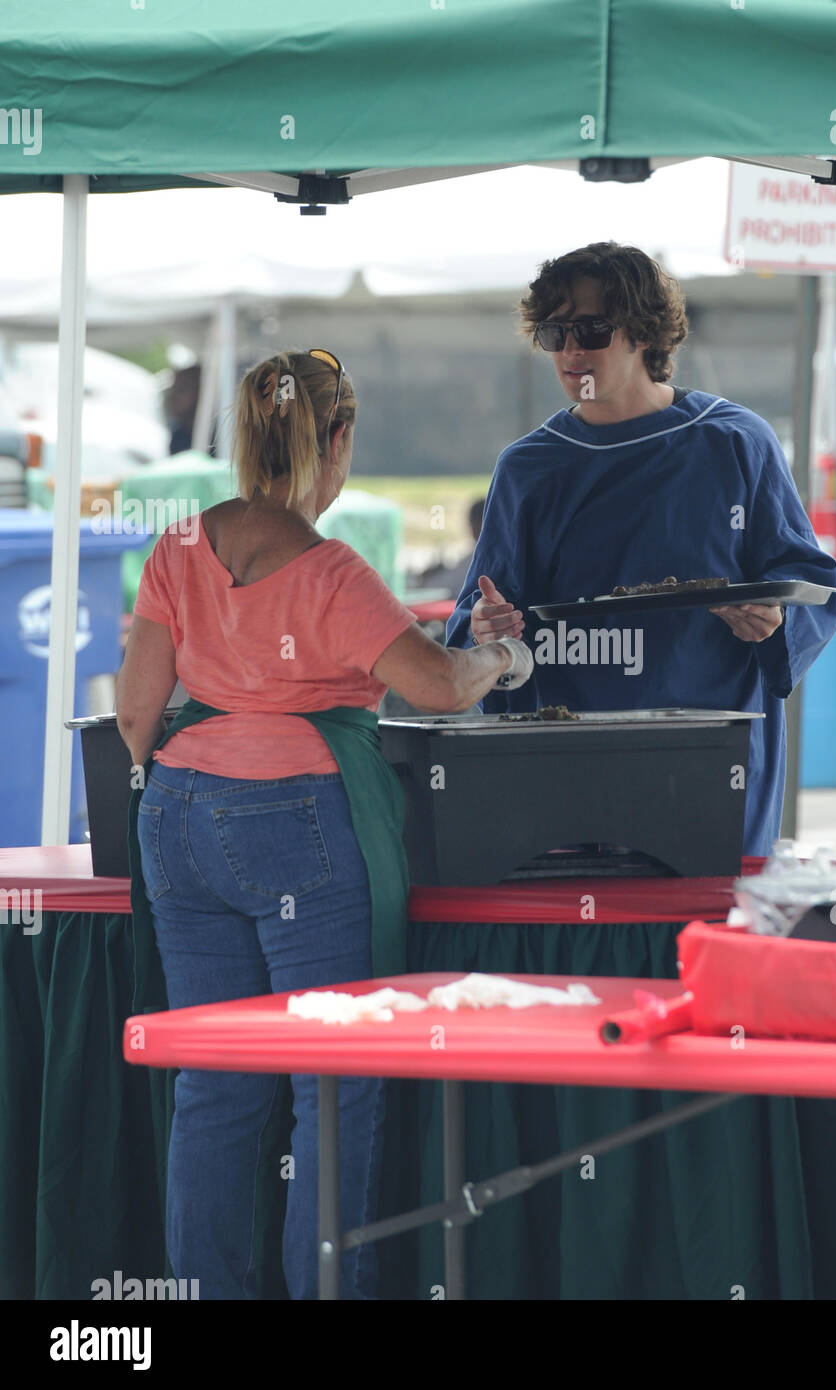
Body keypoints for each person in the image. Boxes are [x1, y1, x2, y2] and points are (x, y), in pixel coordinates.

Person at [114, 349, 531, 1299]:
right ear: (337, 439)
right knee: (335, 1086)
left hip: (176, 819)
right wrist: (501, 656)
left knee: (215, 1082)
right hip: (296, 822)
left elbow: (138, 714)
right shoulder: (333, 570)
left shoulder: (178, 546)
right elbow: (435, 683)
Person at [446, 242, 836, 854]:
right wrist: (485, 625)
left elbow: (812, 587)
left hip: (712, 767)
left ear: (642, 333)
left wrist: (775, 622)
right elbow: (480, 621)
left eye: (592, 329)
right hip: (570, 773)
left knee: (700, 942)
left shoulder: (736, 442)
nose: (572, 351)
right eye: (555, 333)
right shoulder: (529, 468)